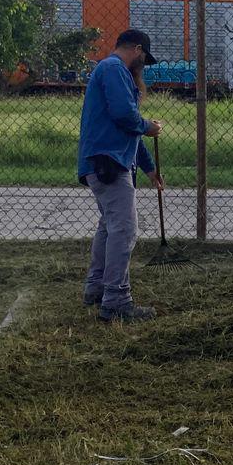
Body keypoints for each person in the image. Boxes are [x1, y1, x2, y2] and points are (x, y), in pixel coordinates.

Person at [77, 28, 164, 323]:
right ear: (137, 49)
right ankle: (116, 301)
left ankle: (96, 288)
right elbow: (125, 116)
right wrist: (148, 125)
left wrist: (150, 169)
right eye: (144, 59)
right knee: (124, 229)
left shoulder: (111, 71)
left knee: (108, 226)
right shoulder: (114, 69)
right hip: (109, 162)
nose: (143, 66)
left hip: (103, 161)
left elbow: (128, 130)